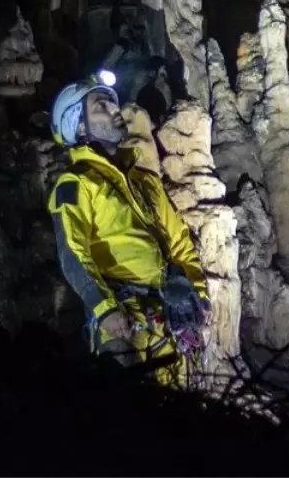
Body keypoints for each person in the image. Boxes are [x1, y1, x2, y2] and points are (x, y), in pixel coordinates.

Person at [46, 70, 212, 387]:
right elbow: (72, 253)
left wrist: (198, 295)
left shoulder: (144, 182)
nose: (114, 111)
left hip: (170, 318)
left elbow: (179, 243)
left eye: (113, 103)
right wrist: (105, 309)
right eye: (101, 107)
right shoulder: (76, 184)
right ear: (79, 127)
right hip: (123, 322)